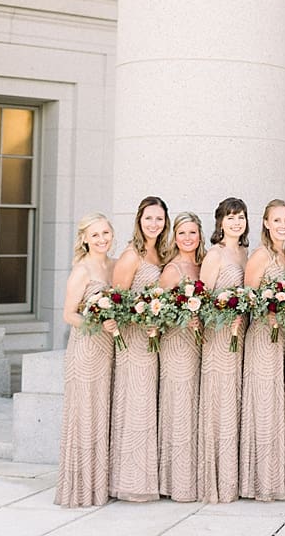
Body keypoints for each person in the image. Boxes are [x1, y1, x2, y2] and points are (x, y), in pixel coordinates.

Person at [109, 195, 169, 502]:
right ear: (139, 220)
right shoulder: (131, 254)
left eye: (159, 219)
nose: (154, 224)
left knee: (149, 406)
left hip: (154, 339)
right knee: (136, 405)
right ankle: (131, 481)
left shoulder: (161, 253)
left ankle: (149, 477)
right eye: (149, 218)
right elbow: (117, 301)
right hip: (134, 340)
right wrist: (142, 316)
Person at [54, 213, 117, 507]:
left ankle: (100, 484)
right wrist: (97, 324)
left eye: (105, 233)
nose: (102, 239)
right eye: (95, 235)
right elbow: (69, 315)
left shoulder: (114, 266)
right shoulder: (82, 270)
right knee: (85, 414)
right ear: (84, 239)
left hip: (109, 350)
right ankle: (79, 488)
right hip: (86, 348)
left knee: (102, 413)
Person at [239, 199, 285, 501]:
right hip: (262, 337)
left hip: (282, 337)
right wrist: (269, 312)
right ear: (265, 223)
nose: (283, 226)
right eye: (277, 221)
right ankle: (260, 481)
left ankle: (275, 476)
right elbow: (248, 300)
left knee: (276, 406)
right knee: (263, 406)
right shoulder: (260, 256)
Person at [198, 197, 249, 503]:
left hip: (240, 337)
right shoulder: (214, 255)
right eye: (230, 217)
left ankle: (233, 477)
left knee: (235, 402)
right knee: (220, 403)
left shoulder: (244, 253)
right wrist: (225, 316)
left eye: (240, 217)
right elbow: (202, 301)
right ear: (220, 222)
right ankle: (216, 481)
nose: (235, 222)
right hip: (219, 337)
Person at [156, 211, 206, 502]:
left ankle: (192, 477)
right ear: (175, 237)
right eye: (182, 233)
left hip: (199, 344)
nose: (188, 238)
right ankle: (176, 482)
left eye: (192, 233)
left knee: (193, 411)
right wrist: (182, 320)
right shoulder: (173, 270)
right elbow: (157, 311)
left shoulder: (202, 264)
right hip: (177, 344)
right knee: (179, 409)